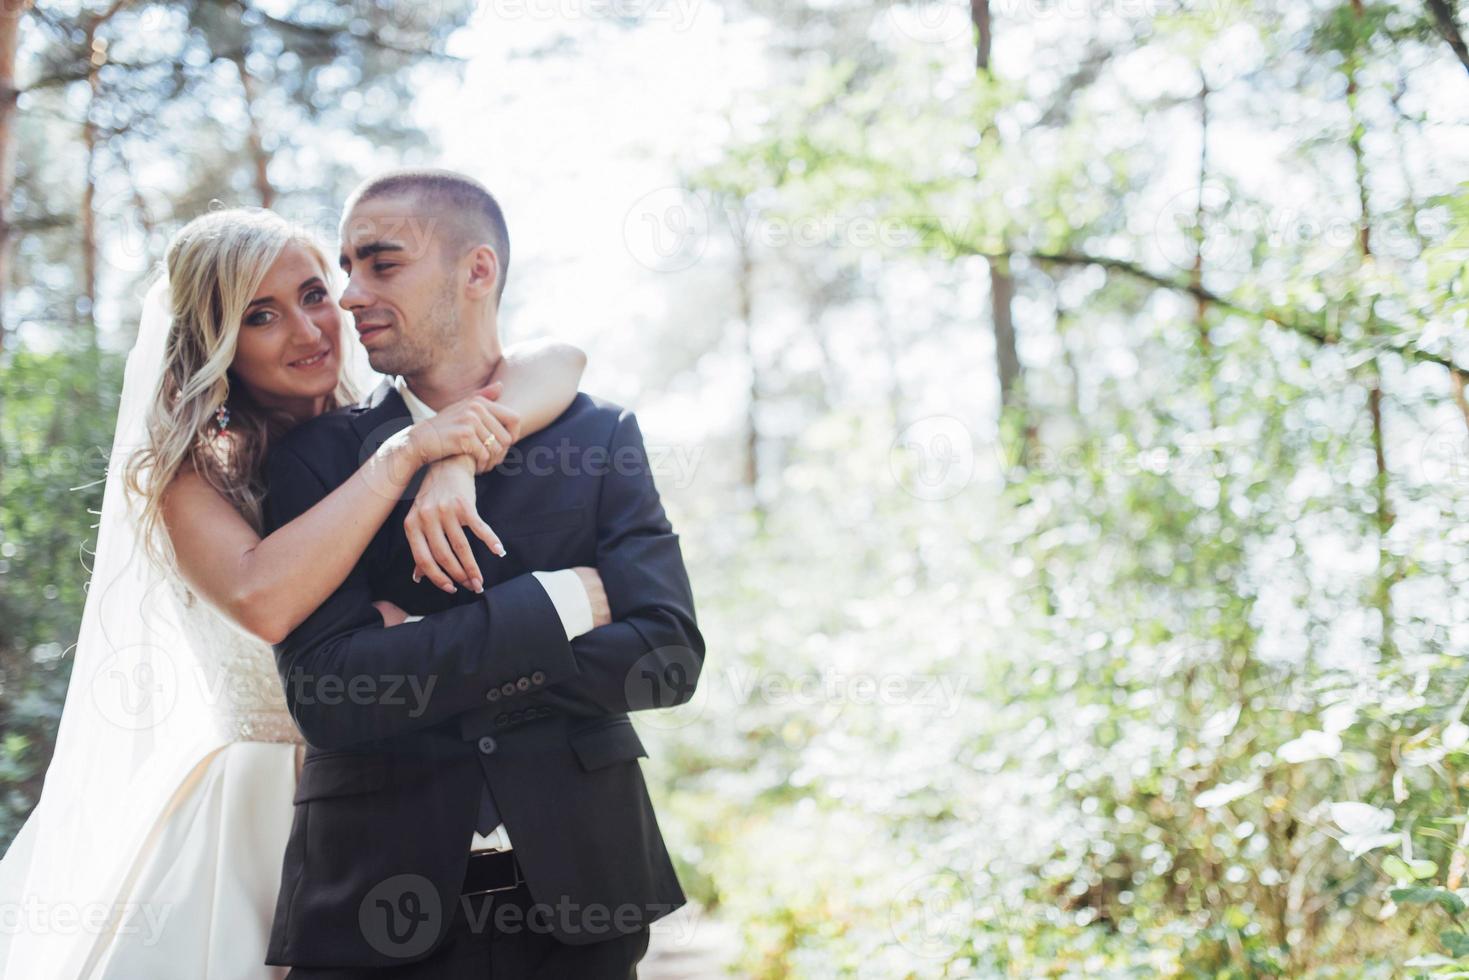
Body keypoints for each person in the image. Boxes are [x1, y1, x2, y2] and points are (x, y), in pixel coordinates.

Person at [0, 205, 590, 979]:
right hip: (258, 808)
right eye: (261, 316)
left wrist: (455, 461)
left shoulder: (386, 422)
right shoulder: (190, 477)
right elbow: (264, 599)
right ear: (216, 341)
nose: (309, 331)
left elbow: (562, 359)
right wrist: (408, 454)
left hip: (407, 790)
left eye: (315, 295)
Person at [262, 168, 704, 979]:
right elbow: (330, 695)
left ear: (477, 271)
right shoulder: (316, 462)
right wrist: (555, 605)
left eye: (381, 263)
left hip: (586, 900)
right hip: (372, 904)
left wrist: (426, 653)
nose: (350, 294)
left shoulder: (598, 435)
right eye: (347, 266)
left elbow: (666, 656)